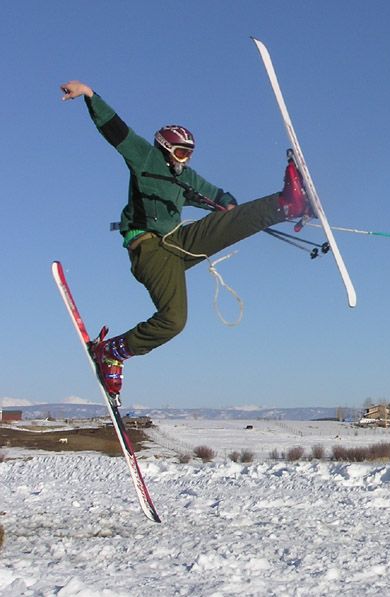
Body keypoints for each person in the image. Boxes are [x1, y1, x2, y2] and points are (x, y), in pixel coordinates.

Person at [60, 80, 311, 402]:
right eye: (180, 152)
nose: (185, 160)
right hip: (149, 249)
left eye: (189, 154)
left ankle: (287, 204)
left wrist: (228, 202)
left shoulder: (184, 177)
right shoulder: (145, 158)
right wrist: (90, 95)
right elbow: (115, 130)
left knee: (226, 223)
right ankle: (111, 351)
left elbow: (216, 194)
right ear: (165, 148)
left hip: (176, 243)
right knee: (174, 321)